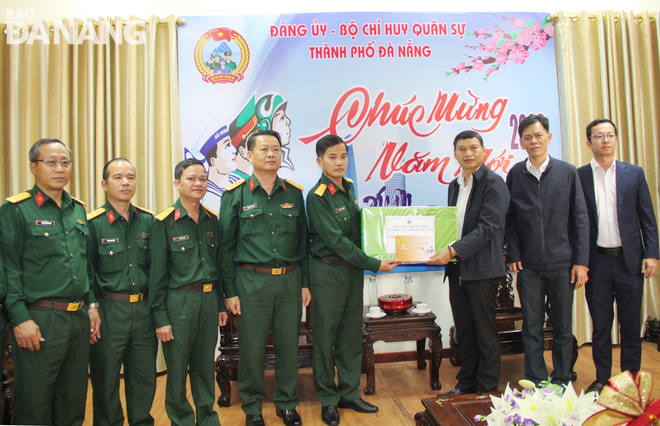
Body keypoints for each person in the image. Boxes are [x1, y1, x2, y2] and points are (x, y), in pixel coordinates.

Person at [0, 138, 100, 425]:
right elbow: (8, 269)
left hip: (77, 320)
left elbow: (85, 265)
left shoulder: (78, 210)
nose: (60, 168)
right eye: (51, 162)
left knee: (72, 402)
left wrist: (92, 306)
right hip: (40, 319)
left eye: (65, 162)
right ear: (33, 167)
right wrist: (20, 318)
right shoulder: (16, 210)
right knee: (35, 404)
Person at [307, 134, 399, 426]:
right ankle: (328, 399)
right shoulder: (317, 196)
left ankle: (349, 392)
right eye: (332, 157)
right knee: (325, 338)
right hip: (327, 273)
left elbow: (362, 232)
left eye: (343, 156)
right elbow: (338, 243)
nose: (339, 162)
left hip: (351, 273)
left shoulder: (348, 188)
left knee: (350, 335)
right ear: (319, 161)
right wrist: (375, 264)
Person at [220, 130, 309, 426]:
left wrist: (305, 283)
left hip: (289, 280)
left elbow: (302, 244)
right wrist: (229, 291)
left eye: (276, 149)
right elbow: (226, 248)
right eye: (264, 149)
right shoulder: (235, 196)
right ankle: (253, 408)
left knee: (288, 347)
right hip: (250, 283)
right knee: (252, 349)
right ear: (249, 154)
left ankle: (286, 403)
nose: (271, 154)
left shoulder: (294, 194)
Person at [505, 115, 589, 385]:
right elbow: (511, 219)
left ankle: (562, 378)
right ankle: (536, 380)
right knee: (531, 328)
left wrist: (581, 262)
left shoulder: (567, 171)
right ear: (521, 142)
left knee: (563, 327)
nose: (534, 141)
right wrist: (514, 254)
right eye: (528, 137)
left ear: (549, 137)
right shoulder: (516, 174)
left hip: (563, 264)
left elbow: (580, 219)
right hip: (529, 266)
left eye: (538, 135)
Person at [577, 118, 659, 394]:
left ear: (616, 139)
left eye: (610, 135)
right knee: (601, 325)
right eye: (599, 136)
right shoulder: (579, 176)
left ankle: (630, 381)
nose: (606, 140)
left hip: (629, 261)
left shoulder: (633, 173)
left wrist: (652, 253)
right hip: (596, 261)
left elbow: (647, 216)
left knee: (630, 324)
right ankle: (601, 379)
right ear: (589, 143)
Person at [428, 130, 510, 396]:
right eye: (462, 149)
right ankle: (467, 383)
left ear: (483, 151)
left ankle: (487, 388)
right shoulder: (455, 185)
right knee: (464, 329)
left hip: (483, 270)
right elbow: (453, 226)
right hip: (457, 270)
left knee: (485, 332)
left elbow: (488, 227)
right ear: (455, 154)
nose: (468, 153)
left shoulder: (494, 183)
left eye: (474, 148)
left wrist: (451, 250)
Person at [150, 158, 228, 426]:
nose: (198, 183)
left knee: (205, 367)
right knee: (177, 371)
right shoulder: (163, 223)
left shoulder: (211, 221)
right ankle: (181, 420)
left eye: (203, 179)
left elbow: (217, 267)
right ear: (177, 183)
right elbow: (157, 276)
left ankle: (207, 418)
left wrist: (219, 305)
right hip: (178, 302)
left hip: (208, 300)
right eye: (191, 178)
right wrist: (160, 318)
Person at [87, 158, 157, 426]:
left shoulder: (149, 222)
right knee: (105, 380)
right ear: (105, 184)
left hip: (143, 310)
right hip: (108, 310)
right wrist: (92, 309)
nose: (126, 182)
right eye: (118, 177)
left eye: (130, 177)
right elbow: (87, 272)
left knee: (144, 378)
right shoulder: (92, 224)